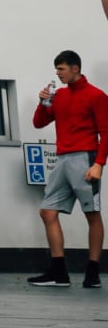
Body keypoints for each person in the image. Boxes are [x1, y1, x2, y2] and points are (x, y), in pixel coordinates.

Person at [27, 50, 108, 289]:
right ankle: (59, 272)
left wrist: (98, 165)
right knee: (47, 212)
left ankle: (92, 272)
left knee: (91, 214)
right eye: (56, 69)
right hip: (62, 159)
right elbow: (39, 122)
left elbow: (106, 132)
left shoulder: (97, 96)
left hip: (86, 158)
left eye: (61, 69)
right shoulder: (59, 96)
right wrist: (43, 103)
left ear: (75, 68)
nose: (58, 74)